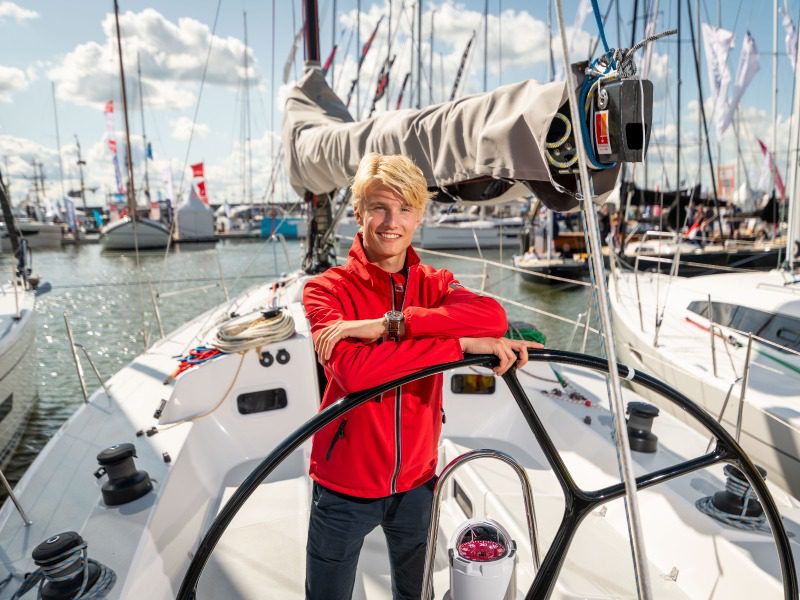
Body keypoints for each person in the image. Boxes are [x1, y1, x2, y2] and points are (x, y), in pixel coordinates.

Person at [302, 153, 542, 600]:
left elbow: (491, 317)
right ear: (358, 213)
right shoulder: (326, 289)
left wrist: (392, 324)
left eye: (405, 209)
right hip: (344, 485)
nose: (392, 222)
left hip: (417, 479)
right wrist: (457, 345)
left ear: (419, 216)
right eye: (379, 207)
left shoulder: (436, 281)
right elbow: (355, 373)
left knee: (415, 594)